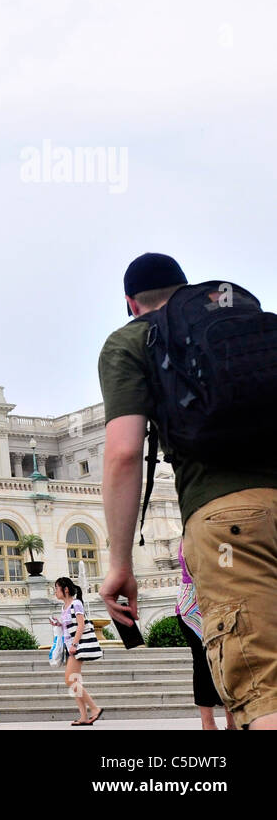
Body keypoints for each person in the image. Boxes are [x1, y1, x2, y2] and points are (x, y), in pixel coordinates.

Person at [98, 252, 277, 729]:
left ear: (131, 304)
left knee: (263, 692)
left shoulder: (133, 340)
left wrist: (119, 564)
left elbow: (122, 453)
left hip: (229, 524)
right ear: (186, 291)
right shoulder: (246, 328)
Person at [176, 541, 236, 730]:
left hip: (214, 603)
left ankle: (230, 723)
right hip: (196, 606)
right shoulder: (193, 533)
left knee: (226, 663)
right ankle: (208, 724)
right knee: (205, 664)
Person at [51, 576, 103, 725]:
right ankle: (84, 716)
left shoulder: (76, 604)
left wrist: (74, 644)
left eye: (57, 588)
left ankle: (94, 708)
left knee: (70, 679)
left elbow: (81, 625)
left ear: (65, 589)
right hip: (70, 647)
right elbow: (69, 626)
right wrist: (58, 624)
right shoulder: (64, 607)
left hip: (76, 647)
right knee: (74, 681)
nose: (55, 592)